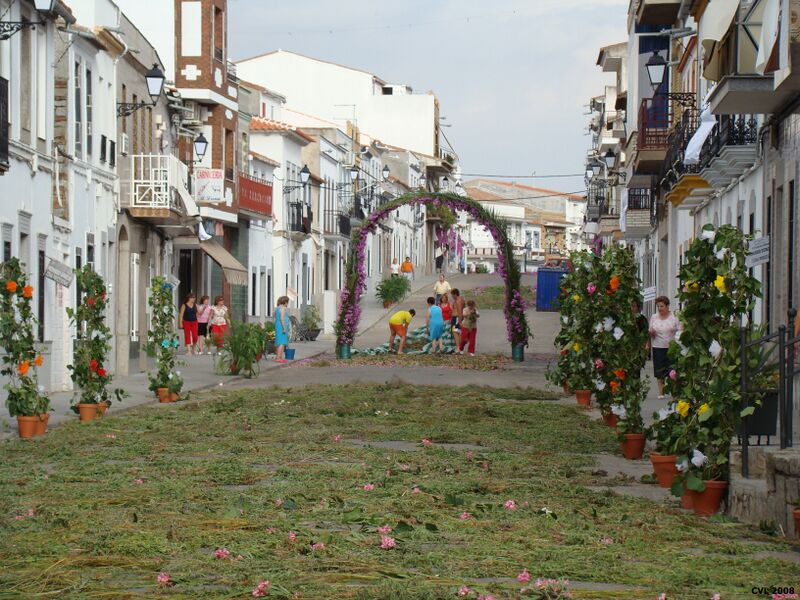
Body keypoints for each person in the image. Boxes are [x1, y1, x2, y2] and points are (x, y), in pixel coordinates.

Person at [649, 295, 682, 398]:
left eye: (662, 306)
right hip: (657, 346)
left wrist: (677, 341)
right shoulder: (654, 317)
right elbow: (650, 331)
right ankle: (661, 392)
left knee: (672, 370)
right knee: (659, 370)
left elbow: (680, 330)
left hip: (671, 347)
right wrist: (651, 332)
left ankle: (673, 391)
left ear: (667, 306)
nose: (659, 308)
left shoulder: (674, 317)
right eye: (658, 306)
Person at [631, 299, 650, 377]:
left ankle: (635, 388)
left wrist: (646, 346)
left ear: (638, 308)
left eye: (634, 306)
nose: (632, 308)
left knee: (636, 371)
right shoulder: (625, 318)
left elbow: (646, 333)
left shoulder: (642, 319)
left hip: (637, 348)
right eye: (630, 306)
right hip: (626, 348)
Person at [275, 296, 290, 363]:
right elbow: (282, 318)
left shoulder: (278, 308)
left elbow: (274, 315)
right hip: (282, 326)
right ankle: (278, 358)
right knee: (282, 342)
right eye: (287, 302)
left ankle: (279, 357)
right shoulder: (283, 308)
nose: (287, 304)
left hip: (278, 325)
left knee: (280, 341)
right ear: (285, 302)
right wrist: (284, 328)